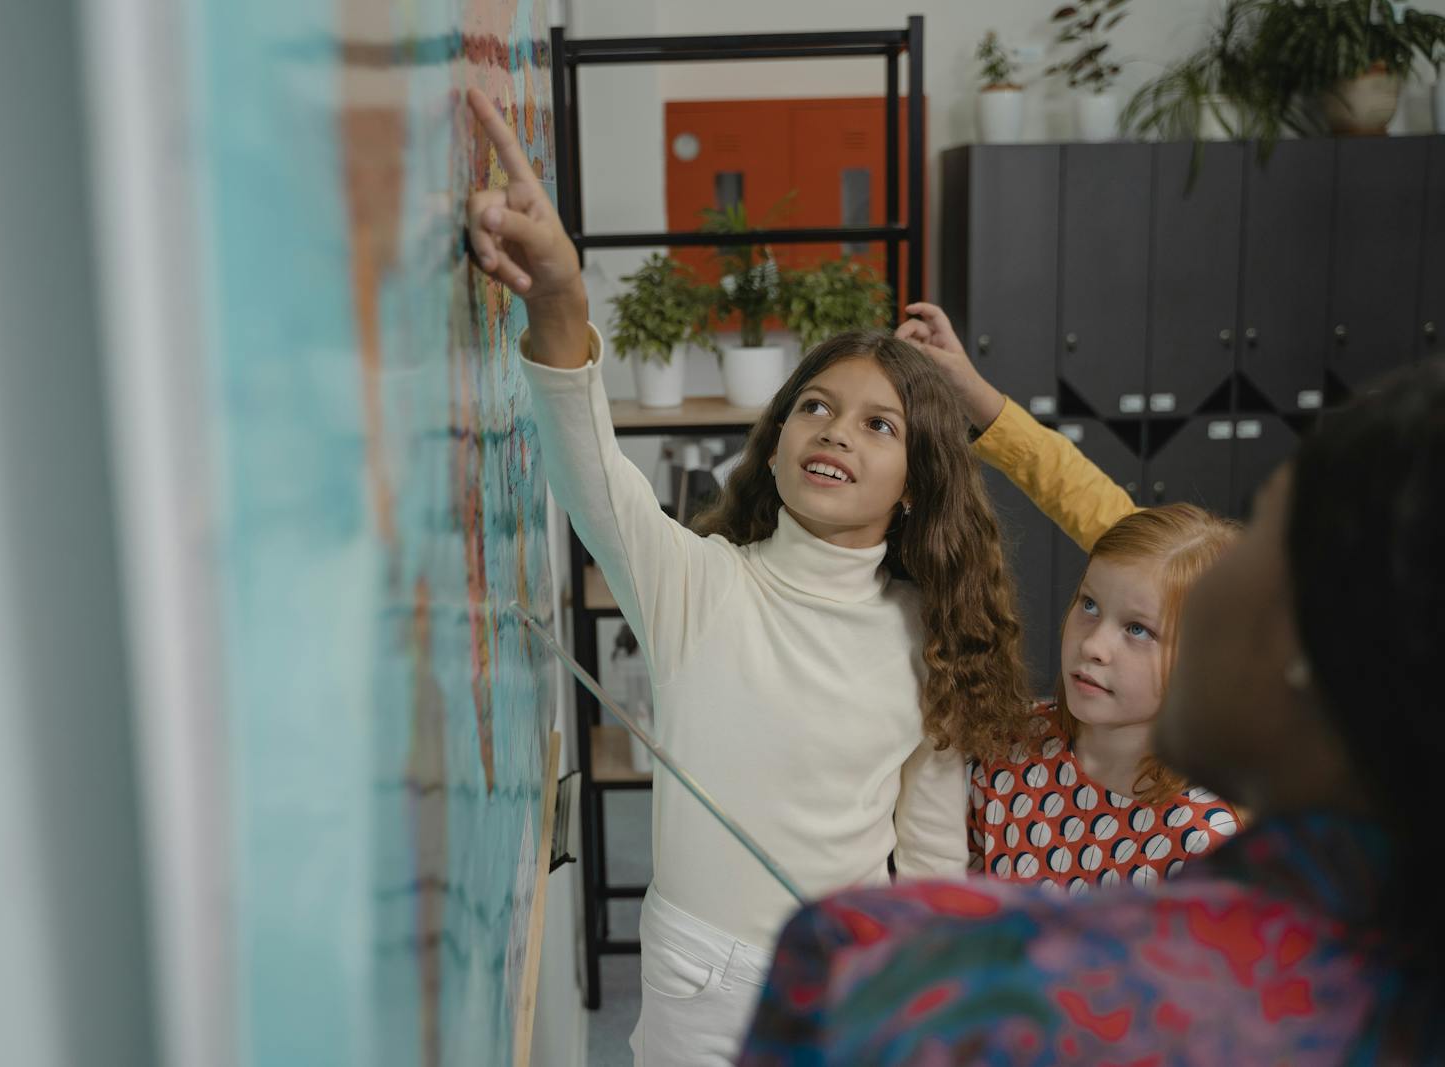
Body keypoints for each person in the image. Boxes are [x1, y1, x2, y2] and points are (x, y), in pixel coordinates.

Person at [462, 89, 1031, 1064]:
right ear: (773, 449)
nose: (835, 431)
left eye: (877, 423)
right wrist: (558, 299)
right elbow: (593, 476)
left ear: (914, 484)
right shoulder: (702, 583)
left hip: (850, 976)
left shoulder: (929, 630)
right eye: (815, 405)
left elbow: (932, 855)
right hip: (704, 978)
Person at [739, 356, 1445, 1064]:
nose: (1101, 643)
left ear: (1312, 647)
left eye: (1262, 527)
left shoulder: (856, 971)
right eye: (1089, 606)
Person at [895, 303, 1243, 890]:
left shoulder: (1202, 843)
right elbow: (1082, 495)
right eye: (1087, 605)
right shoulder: (1007, 752)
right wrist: (975, 395)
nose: (1095, 646)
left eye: (1138, 630)